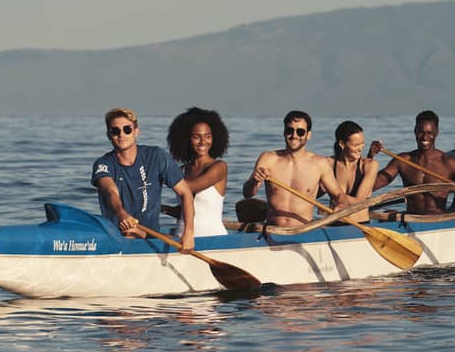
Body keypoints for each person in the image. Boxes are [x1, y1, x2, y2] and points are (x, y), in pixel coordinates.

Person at [91, 107, 195, 250]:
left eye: (127, 129)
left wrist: (188, 232)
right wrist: (121, 214)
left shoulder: (157, 156)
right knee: (128, 234)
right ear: (109, 135)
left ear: (136, 131)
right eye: (115, 131)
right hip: (117, 236)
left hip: (151, 236)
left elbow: (185, 193)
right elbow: (110, 191)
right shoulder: (103, 164)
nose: (121, 135)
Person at [238, 110, 340, 227]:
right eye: (289, 130)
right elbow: (247, 193)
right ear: (284, 132)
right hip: (273, 229)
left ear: (308, 135)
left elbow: (339, 196)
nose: (294, 135)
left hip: (304, 231)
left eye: (300, 132)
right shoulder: (268, 159)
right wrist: (254, 181)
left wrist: (339, 206)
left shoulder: (320, 164)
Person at [369, 110, 455, 215]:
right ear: (415, 131)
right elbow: (371, 186)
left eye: (429, 133)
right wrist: (370, 157)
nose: (424, 137)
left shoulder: (448, 163)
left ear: (436, 133)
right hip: (411, 219)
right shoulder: (403, 161)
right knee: (388, 213)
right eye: (421, 132)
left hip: (438, 221)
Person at [160, 106, 230, 238]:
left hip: (212, 238)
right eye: (196, 137)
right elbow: (187, 210)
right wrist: (158, 207)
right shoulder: (182, 170)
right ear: (187, 139)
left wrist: (158, 173)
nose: (203, 142)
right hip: (181, 237)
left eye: (208, 136)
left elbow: (189, 188)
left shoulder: (219, 167)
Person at [327, 120, 379, 211]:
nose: (360, 148)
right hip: (333, 223)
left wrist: (338, 198)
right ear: (342, 144)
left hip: (360, 223)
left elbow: (360, 201)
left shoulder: (370, 165)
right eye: (356, 145)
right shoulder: (328, 163)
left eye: (362, 144)